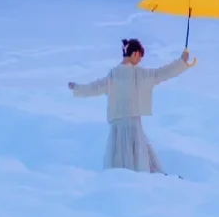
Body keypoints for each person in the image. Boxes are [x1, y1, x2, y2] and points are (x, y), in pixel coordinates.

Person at [68, 39, 196, 174]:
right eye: (140, 57)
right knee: (140, 159)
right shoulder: (138, 74)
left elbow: (95, 88)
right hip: (133, 124)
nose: (140, 61)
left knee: (119, 161)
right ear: (135, 54)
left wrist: (78, 88)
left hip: (118, 126)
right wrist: (181, 62)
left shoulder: (113, 75)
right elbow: (162, 73)